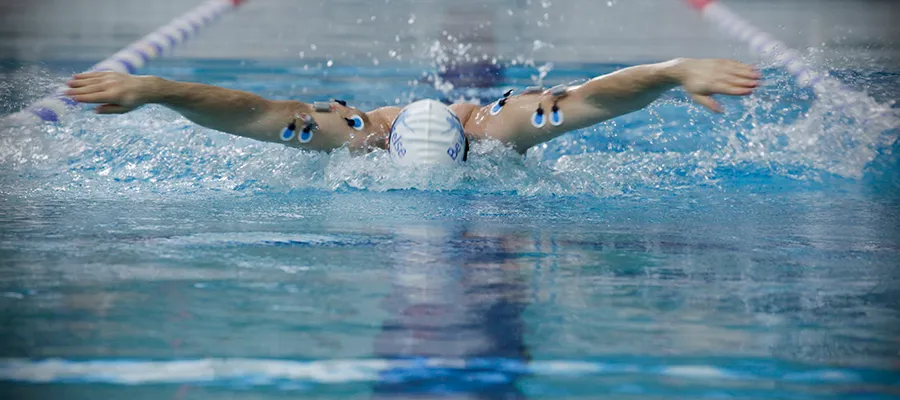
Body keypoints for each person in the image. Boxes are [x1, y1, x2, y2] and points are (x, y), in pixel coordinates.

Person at [64, 58, 759, 165]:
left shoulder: (492, 129)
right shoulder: (366, 133)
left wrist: (672, 71)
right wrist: (155, 88)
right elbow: (267, 114)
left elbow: (585, 101)